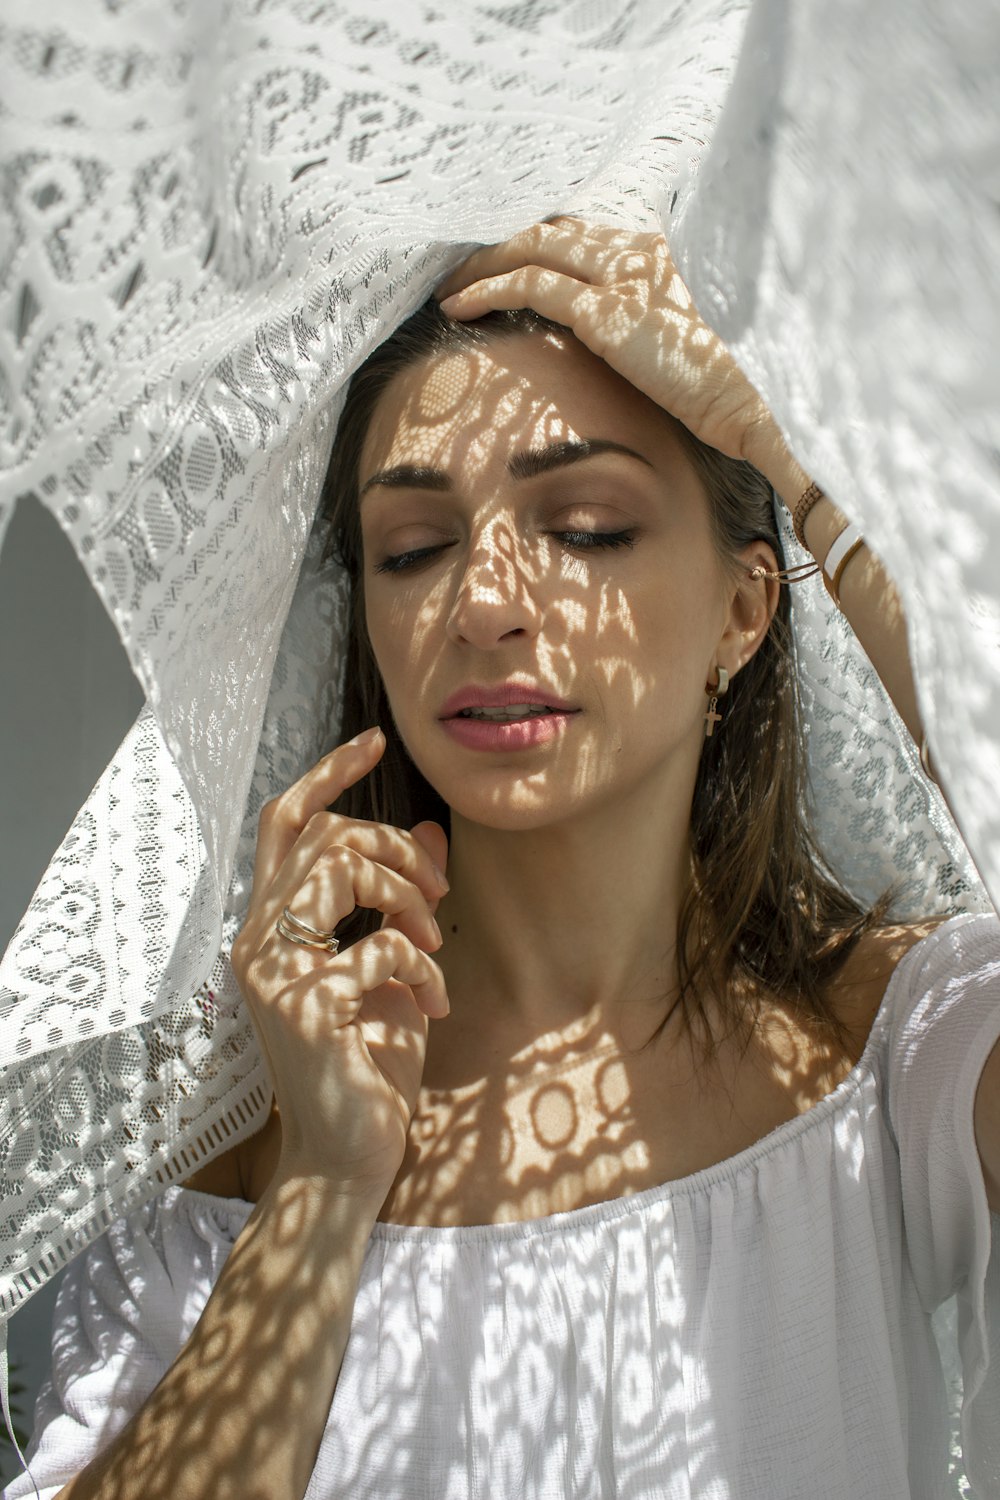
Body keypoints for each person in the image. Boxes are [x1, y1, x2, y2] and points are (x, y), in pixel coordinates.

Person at [6, 220, 999, 1500]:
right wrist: (322, 1188)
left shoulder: (895, 1049)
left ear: (747, 610)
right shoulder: (243, 1148)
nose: (483, 601)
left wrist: (809, 482)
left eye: (584, 526)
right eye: (412, 549)